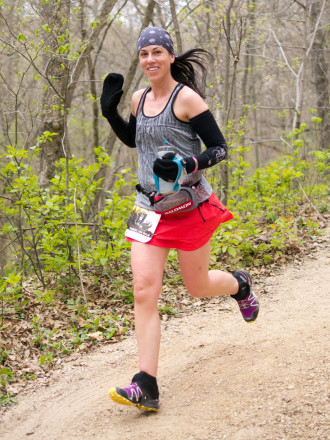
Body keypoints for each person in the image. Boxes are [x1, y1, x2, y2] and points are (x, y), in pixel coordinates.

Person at [100, 26, 259, 412]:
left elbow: (220, 148)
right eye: (144, 54)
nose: (150, 60)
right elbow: (137, 141)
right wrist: (111, 113)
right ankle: (146, 384)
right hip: (146, 207)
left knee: (198, 285)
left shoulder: (186, 98)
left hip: (187, 206)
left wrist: (191, 161)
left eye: (157, 52)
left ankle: (238, 285)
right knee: (143, 290)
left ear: (170, 56)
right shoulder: (139, 99)